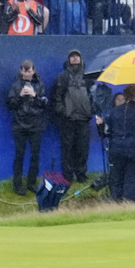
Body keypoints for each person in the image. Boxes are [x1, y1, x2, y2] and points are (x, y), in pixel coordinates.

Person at [98, 87, 135, 202]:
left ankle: (116, 202)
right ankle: (128, 203)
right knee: (131, 178)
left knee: (116, 178)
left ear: (125, 96)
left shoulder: (114, 112)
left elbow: (106, 132)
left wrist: (100, 125)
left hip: (116, 149)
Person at [49, 51, 95, 183]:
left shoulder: (88, 76)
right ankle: (67, 175)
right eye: (72, 57)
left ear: (81, 59)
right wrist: (62, 111)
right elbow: (56, 96)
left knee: (83, 148)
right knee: (67, 148)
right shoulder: (62, 77)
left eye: (77, 56)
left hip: (84, 119)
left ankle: (81, 174)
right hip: (67, 119)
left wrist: (91, 110)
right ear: (69, 60)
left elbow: (95, 96)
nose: (75, 58)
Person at [7, 60, 49, 194]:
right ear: (21, 71)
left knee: (35, 156)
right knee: (19, 156)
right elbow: (10, 105)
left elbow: (44, 104)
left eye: (29, 71)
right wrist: (20, 96)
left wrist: (34, 95)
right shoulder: (15, 86)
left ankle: (31, 183)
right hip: (20, 126)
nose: (27, 74)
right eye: (25, 71)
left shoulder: (40, 85)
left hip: (36, 126)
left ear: (33, 71)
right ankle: (17, 184)